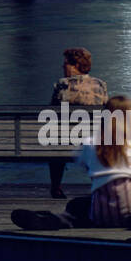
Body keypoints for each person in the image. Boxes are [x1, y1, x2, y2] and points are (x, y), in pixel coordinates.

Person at [13, 96, 131, 230]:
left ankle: (53, 220)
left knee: (76, 207)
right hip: (130, 209)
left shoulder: (91, 142)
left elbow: (81, 162)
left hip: (100, 213)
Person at [46, 47, 107, 198]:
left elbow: (51, 112)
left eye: (66, 63)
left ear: (76, 66)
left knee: (55, 144)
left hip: (66, 140)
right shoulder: (101, 85)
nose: (63, 66)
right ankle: (97, 184)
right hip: (93, 140)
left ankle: (56, 188)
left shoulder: (62, 84)